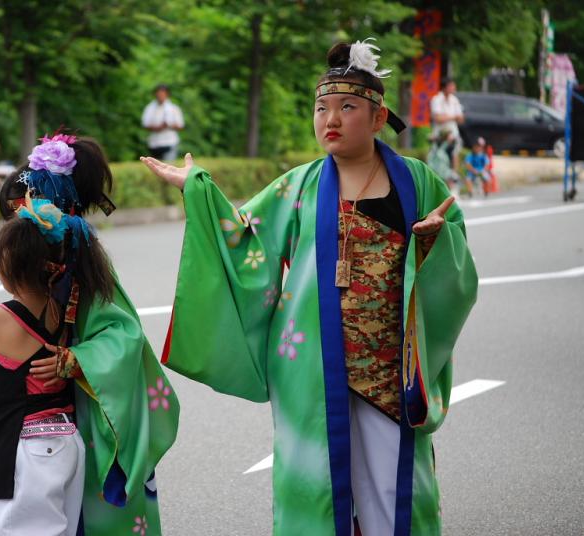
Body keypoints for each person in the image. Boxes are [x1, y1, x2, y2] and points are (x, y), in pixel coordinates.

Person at [141, 38, 478, 535]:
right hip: (315, 371)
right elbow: (243, 236)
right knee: (317, 489)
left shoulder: (418, 181)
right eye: (322, 108)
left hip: (390, 369)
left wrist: (435, 244)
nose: (331, 119)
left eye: (347, 107)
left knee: (396, 493)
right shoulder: (297, 185)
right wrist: (198, 187)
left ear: (379, 117)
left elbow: (457, 263)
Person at [0, 133, 176, 535]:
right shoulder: (50, 266)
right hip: (56, 423)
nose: (19, 228)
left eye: (22, 216)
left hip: (83, 415)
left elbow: (124, 335)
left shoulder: (83, 272)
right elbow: (12, 325)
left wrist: (77, 360)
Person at [430, 78, 464, 174]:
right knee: (439, 156)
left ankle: (453, 177)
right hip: (440, 135)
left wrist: (445, 116)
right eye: (451, 86)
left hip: (453, 133)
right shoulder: (436, 99)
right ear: (445, 87)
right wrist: (453, 117)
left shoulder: (454, 100)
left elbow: (461, 118)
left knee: (454, 154)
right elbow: (437, 118)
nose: (454, 88)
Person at [141, 84, 184, 160]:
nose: (160, 96)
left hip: (170, 142)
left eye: (163, 94)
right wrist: (158, 127)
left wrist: (169, 125)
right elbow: (145, 124)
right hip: (154, 143)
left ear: (167, 94)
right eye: (159, 94)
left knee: (168, 166)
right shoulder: (150, 108)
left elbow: (180, 126)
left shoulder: (174, 108)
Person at [426, 130, 460, 197]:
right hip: (436, 165)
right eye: (449, 136)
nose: (451, 137)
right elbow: (429, 138)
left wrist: (455, 169)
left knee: (449, 178)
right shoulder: (438, 142)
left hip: (446, 166)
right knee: (437, 180)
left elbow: (454, 157)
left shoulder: (451, 145)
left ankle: (450, 193)